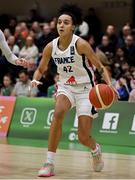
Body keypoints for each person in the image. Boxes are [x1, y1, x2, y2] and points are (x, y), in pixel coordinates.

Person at [31, 4, 117, 177]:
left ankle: (95, 149)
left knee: (83, 137)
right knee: (58, 113)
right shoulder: (50, 47)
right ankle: (49, 162)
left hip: (86, 89)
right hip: (66, 87)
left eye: (66, 22)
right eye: (59, 22)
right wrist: (35, 79)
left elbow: (100, 67)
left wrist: (110, 85)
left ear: (73, 27)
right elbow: (41, 69)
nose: (61, 25)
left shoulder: (81, 44)